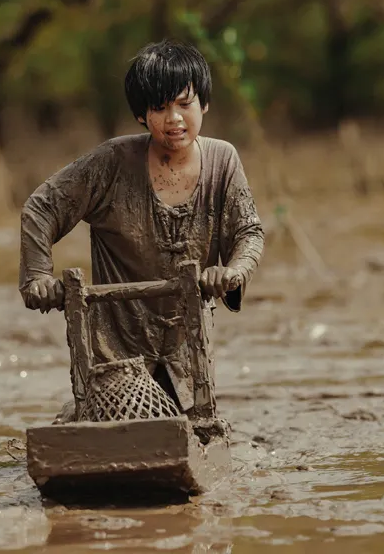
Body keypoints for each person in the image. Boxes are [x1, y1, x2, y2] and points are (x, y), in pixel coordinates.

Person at [18, 39, 264, 419]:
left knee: (194, 427)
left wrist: (231, 272)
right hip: (116, 347)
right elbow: (42, 207)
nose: (175, 119)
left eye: (185, 104)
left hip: (188, 349)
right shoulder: (112, 162)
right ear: (141, 116)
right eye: (160, 108)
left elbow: (248, 232)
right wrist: (37, 277)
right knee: (109, 428)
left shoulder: (223, 161)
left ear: (204, 104)